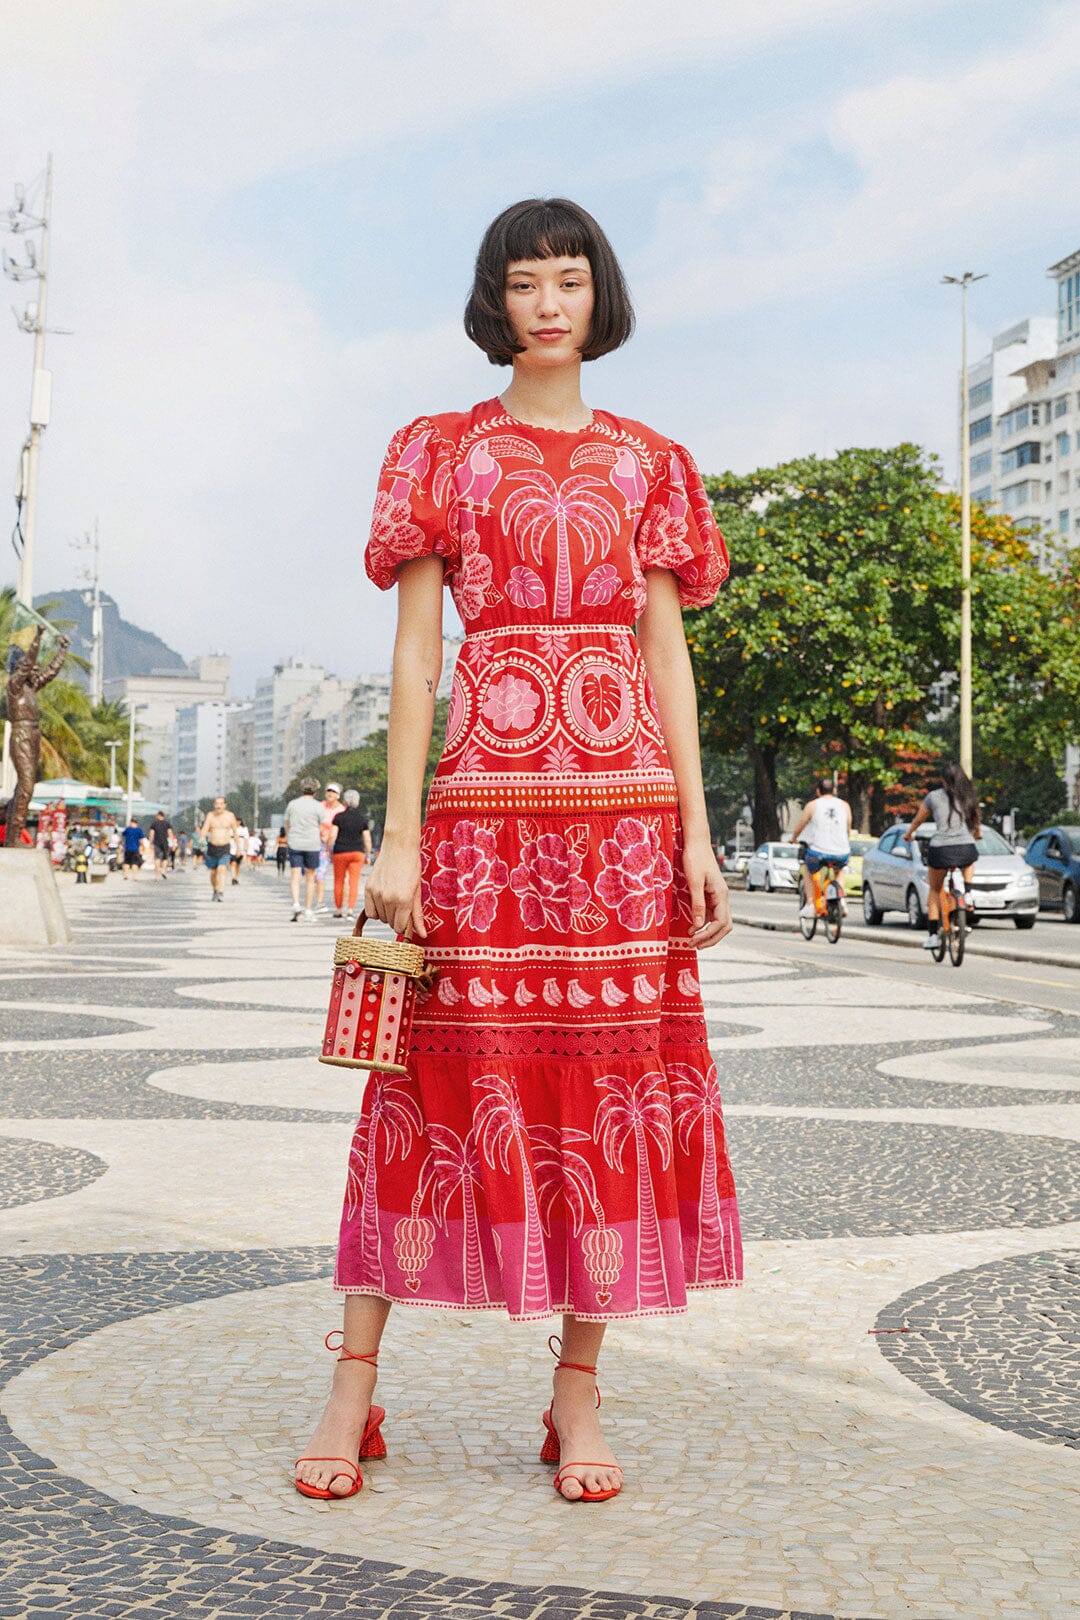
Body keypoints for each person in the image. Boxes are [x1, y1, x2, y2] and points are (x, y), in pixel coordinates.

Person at [295, 198, 741, 1507]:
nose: (550, 303)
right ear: (496, 300)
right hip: (484, 817)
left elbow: (669, 651)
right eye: (526, 282)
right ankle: (351, 1386)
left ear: (601, 296)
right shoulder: (439, 451)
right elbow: (418, 654)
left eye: (571, 280)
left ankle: (576, 1398)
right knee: (420, 1088)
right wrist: (402, 835)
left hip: (624, 818)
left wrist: (699, 833)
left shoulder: (654, 461)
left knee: (606, 1081)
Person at [905, 761, 980, 950]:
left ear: (943, 780)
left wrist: (909, 833)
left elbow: (919, 819)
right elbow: (975, 818)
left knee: (935, 891)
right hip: (965, 848)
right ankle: (968, 893)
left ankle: (932, 936)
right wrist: (976, 834)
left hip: (941, 850)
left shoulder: (933, 796)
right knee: (970, 859)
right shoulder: (968, 795)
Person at [791, 778, 852, 918]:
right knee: (840, 870)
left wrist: (794, 838)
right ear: (834, 790)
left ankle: (810, 904)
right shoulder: (845, 805)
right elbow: (848, 829)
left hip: (818, 852)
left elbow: (801, 824)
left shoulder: (812, 805)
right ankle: (840, 899)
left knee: (807, 868)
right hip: (842, 852)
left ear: (818, 791)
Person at [284, 777, 323, 921]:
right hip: (312, 843)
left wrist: (291, 835)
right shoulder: (318, 806)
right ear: (315, 790)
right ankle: (308, 909)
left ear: (302, 789)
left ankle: (295, 904)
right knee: (310, 877)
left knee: (295, 875)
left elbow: (287, 823)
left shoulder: (292, 804)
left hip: (295, 842)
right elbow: (321, 824)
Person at [328, 789, 372, 917]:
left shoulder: (338, 817)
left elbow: (332, 836)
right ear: (357, 803)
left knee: (339, 881)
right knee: (354, 882)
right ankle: (351, 909)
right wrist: (368, 855)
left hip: (340, 852)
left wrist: (329, 850)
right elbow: (367, 840)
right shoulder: (362, 819)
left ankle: (339, 909)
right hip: (357, 853)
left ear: (344, 802)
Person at [198, 796, 240, 903]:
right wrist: (202, 844)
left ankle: (221, 892)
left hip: (225, 847)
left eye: (221, 803)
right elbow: (204, 832)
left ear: (225, 805)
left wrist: (238, 848)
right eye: (216, 803)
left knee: (222, 869)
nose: (218, 806)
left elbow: (235, 833)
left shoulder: (230, 816)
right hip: (212, 847)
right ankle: (215, 890)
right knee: (213, 872)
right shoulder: (210, 816)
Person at [313, 784, 343, 914]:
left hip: (338, 844)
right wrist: (322, 836)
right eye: (328, 791)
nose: (330, 793)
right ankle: (319, 902)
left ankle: (342, 906)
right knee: (319, 873)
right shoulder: (320, 806)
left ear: (338, 795)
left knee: (342, 876)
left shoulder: (341, 809)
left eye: (333, 791)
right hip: (322, 843)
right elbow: (315, 822)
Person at [148, 810, 173, 880]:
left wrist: (150, 843)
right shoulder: (167, 823)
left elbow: (151, 834)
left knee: (157, 858)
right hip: (165, 842)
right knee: (165, 858)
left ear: (159, 815)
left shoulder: (154, 823)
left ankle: (157, 876)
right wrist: (172, 843)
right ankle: (164, 871)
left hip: (157, 843)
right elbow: (170, 833)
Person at [120, 815, 145, 880]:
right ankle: (134, 876)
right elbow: (141, 841)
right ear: (136, 823)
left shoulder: (128, 829)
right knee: (135, 863)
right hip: (135, 849)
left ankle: (126, 875)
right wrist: (142, 847)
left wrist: (123, 845)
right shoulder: (139, 830)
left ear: (131, 822)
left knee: (127, 862)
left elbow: (123, 836)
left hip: (127, 848)